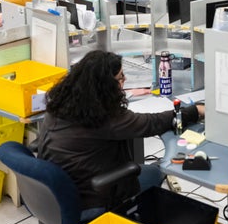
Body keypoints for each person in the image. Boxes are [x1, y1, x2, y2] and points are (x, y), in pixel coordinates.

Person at [37, 50, 204, 213]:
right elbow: (152, 123)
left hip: (62, 190)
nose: (124, 80)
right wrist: (196, 111)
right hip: (91, 196)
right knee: (155, 172)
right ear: (106, 86)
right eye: (120, 78)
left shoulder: (62, 102)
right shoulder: (103, 117)